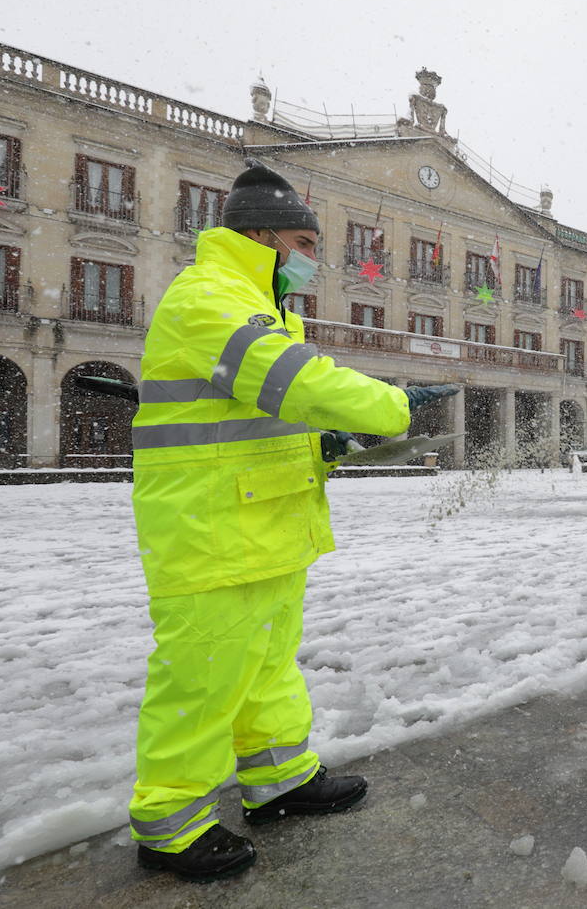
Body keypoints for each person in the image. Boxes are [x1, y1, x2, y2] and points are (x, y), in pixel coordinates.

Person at [127, 158, 456, 883]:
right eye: (306, 245)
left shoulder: (269, 305)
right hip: (210, 529)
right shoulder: (207, 295)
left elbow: (258, 414)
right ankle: (172, 822)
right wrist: (389, 404)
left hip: (262, 523)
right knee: (205, 674)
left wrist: (323, 444)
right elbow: (288, 379)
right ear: (265, 237)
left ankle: (279, 779)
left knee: (268, 666)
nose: (313, 261)